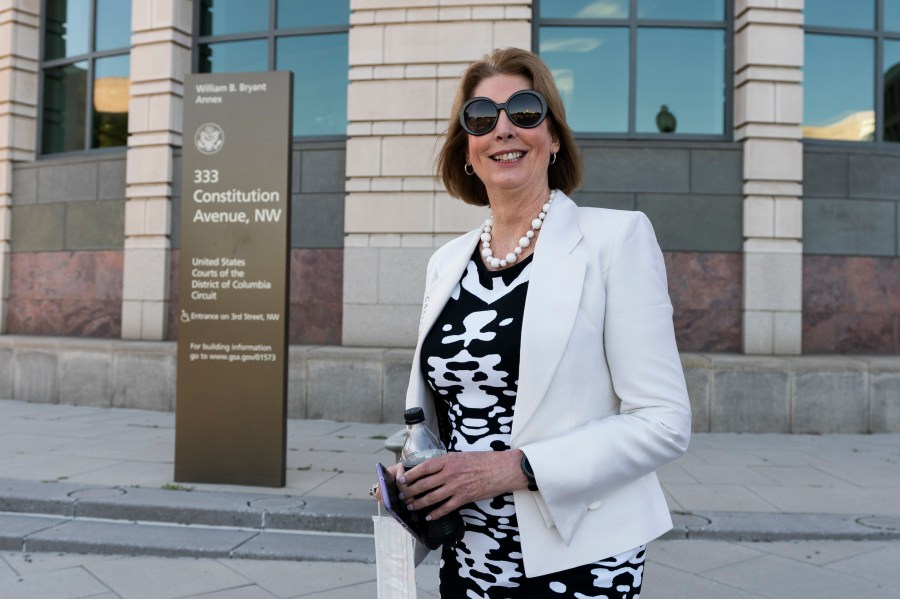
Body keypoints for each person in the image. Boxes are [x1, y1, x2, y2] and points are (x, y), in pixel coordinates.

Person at [377, 47, 691, 598]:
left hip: (579, 559)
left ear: (553, 141)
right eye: (480, 117)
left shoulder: (615, 241)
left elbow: (662, 421)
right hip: (468, 558)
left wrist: (511, 468)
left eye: (524, 111)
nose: (503, 129)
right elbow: (443, 411)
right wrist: (413, 473)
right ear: (467, 152)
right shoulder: (446, 263)